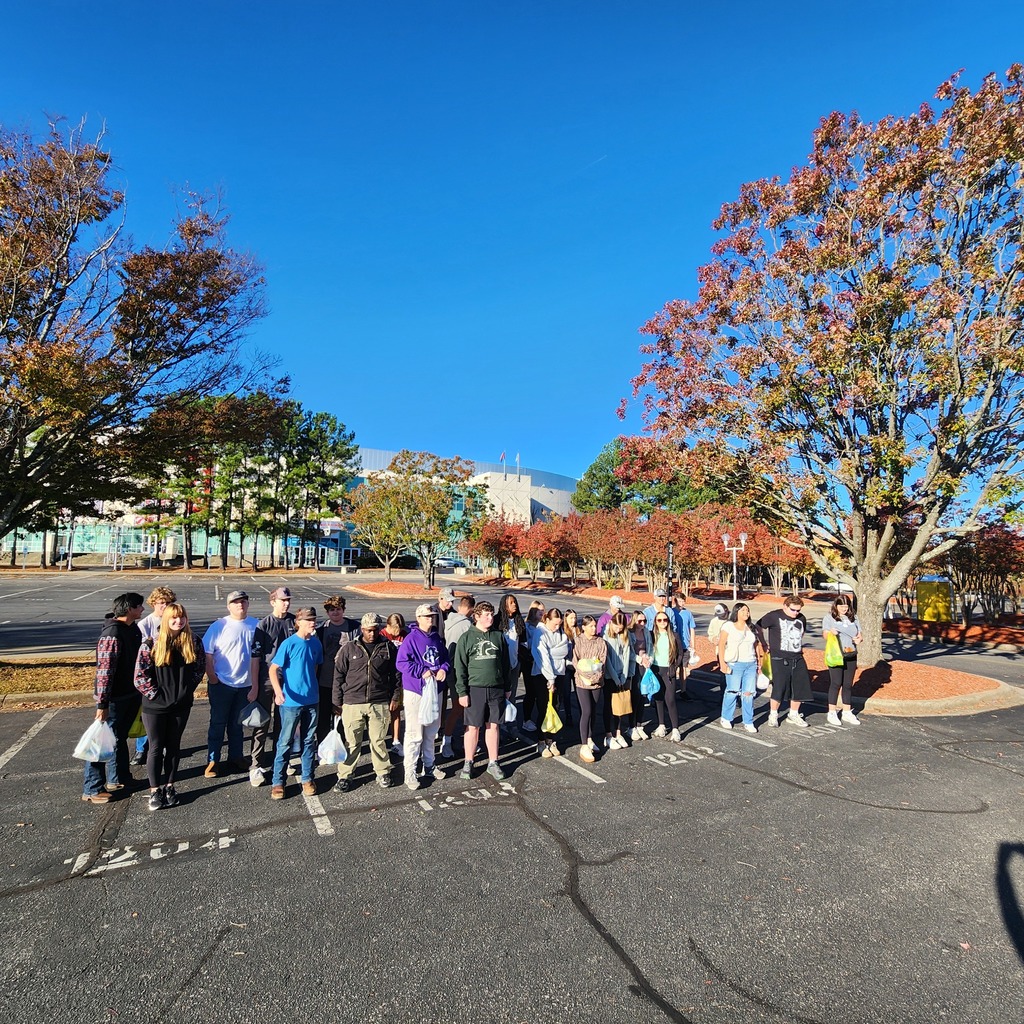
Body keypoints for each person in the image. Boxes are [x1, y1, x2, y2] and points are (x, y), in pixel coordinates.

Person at [134, 603, 205, 809]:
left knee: (174, 746)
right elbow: (140, 677)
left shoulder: (194, 641)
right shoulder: (151, 643)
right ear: (166, 619)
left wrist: (187, 689)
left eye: (182, 617)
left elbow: (199, 668)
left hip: (181, 704)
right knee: (156, 748)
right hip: (155, 706)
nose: (178, 621)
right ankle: (155, 790)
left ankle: (170, 786)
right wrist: (156, 695)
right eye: (174, 617)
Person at [82, 593, 144, 805]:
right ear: (129, 609)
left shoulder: (132, 629)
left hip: (130, 694)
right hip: (114, 699)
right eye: (139, 606)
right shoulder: (112, 634)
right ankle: (92, 788)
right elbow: (104, 672)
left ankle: (119, 779)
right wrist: (102, 703)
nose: (142, 610)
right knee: (102, 742)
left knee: (119, 739)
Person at [332, 613, 400, 791]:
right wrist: (337, 701)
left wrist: (395, 697)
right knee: (352, 742)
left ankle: (383, 771)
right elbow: (338, 675)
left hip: (379, 701)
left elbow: (396, 676)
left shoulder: (388, 647)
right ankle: (345, 774)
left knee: (378, 740)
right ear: (362, 629)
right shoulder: (349, 648)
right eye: (369, 630)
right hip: (352, 702)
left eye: (376, 630)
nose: (372, 633)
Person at [202, 591, 260, 777]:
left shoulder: (256, 625)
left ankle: (236, 756)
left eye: (243, 601)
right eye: (235, 602)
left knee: (237, 724)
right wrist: (212, 677)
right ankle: (213, 760)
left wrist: (255, 684)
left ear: (248, 604)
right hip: (222, 683)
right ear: (228, 606)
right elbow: (207, 654)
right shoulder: (219, 626)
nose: (240, 605)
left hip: (246, 685)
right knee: (218, 723)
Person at [268, 607, 323, 800]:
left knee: (309, 740)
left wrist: (310, 687)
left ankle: (307, 778)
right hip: (291, 702)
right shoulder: (288, 644)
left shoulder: (316, 643)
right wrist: (278, 691)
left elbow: (315, 666)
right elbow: (273, 669)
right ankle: (278, 782)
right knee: (285, 741)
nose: (312, 623)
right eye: (308, 620)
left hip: (312, 700)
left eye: (314, 619)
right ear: (298, 622)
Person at [453, 601, 512, 780]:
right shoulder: (466, 638)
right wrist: (462, 692)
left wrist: (507, 687)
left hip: (496, 689)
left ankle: (493, 762)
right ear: (476, 616)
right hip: (474, 689)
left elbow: (505, 664)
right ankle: (468, 762)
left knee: (493, 725)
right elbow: (460, 667)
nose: (490, 617)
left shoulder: (498, 636)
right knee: (472, 727)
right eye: (486, 614)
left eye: (491, 614)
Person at [396, 604, 451, 790]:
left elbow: (445, 659)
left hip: (436, 689)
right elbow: (401, 663)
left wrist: (443, 669)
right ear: (418, 617)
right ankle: (410, 771)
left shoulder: (436, 637)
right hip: (417, 690)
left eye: (433, 615)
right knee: (414, 733)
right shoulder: (411, 639)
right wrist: (421, 671)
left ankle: (429, 764)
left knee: (431, 730)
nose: (431, 618)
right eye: (427, 616)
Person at [250, 587, 296, 787]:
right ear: (273, 602)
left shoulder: (295, 622)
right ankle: (256, 765)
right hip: (267, 681)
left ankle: (282, 759)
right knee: (262, 724)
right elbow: (255, 658)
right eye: (282, 600)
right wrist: (254, 686)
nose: (286, 603)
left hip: (289, 680)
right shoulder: (264, 625)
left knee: (285, 723)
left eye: (288, 600)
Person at [132, 586, 177, 766]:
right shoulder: (145, 624)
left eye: (168, 603)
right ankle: (141, 749)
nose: (164, 606)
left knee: (167, 717)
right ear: (153, 604)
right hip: (151, 675)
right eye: (160, 603)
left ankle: (162, 745)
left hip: (168, 676)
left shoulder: (175, 621)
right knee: (146, 715)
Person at [757, 597, 811, 727]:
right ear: (785, 606)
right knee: (779, 687)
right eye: (793, 610)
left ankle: (793, 713)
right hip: (779, 658)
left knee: (799, 687)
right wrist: (763, 643)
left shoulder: (801, 618)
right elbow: (758, 626)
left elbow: (801, 634)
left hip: (797, 657)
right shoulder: (774, 616)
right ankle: (773, 714)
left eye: (798, 610)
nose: (796, 613)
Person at [315, 595, 360, 745]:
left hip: (347, 681)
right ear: (327, 612)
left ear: (343, 610)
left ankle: (341, 745)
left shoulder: (353, 628)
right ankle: (323, 746)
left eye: (338, 609)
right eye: (332, 610)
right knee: (323, 716)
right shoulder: (321, 630)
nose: (335, 613)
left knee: (344, 716)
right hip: (325, 680)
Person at [531, 608, 571, 758]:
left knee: (556, 707)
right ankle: (541, 741)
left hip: (559, 672)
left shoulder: (561, 633)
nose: (557, 627)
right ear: (546, 620)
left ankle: (551, 740)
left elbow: (564, 649)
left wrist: (555, 652)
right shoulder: (539, 633)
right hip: (543, 675)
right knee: (544, 708)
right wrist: (550, 678)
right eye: (554, 624)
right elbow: (542, 656)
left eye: (559, 624)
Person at [439, 594, 475, 759]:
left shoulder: (449, 621)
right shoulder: (467, 626)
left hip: (445, 667)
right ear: (472, 609)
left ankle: (453, 739)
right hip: (458, 672)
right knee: (458, 708)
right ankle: (447, 742)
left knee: (451, 707)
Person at [716, 603, 760, 733]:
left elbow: (756, 645)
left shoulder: (751, 627)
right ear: (736, 612)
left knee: (748, 693)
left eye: (747, 610)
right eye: (743, 610)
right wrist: (722, 663)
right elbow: (721, 644)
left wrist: (759, 661)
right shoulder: (729, 626)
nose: (746, 612)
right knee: (732, 691)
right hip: (735, 663)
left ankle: (748, 721)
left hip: (750, 663)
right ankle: (726, 717)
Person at [572, 614, 608, 762]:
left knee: (593, 710)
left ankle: (590, 737)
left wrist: (595, 677)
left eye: (595, 625)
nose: (594, 628)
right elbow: (576, 661)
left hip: (597, 682)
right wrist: (585, 676)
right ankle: (584, 744)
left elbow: (602, 662)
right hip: (581, 682)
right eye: (591, 626)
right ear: (584, 627)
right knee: (586, 710)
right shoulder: (578, 641)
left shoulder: (601, 642)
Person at [821, 597, 862, 726]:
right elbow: (825, 635)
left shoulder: (853, 617)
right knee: (836, 683)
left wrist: (859, 639)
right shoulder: (829, 617)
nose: (844, 609)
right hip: (836, 654)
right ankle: (832, 712)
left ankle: (847, 712)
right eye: (841, 606)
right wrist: (831, 633)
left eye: (846, 606)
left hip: (850, 653)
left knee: (848, 684)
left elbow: (859, 634)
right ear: (836, 606)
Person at [648, 607, 684, 740]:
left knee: (670, 699)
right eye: (659, 620)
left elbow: (680, 652)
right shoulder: (651, 635)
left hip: (669, 671)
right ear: (655, 622)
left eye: (665, 620)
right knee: (658, 698)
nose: (663, 622)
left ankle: (675, 729)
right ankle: (661, 725)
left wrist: (676, 666)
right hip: (656, 670)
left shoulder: (674, 635)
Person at [496, 595, 529, 734]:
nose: (514, 604)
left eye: (515, 602)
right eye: (511, 603)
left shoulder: (518, 621)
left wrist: (520, 659)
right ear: (504, 605)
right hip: (500, 666)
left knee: (512, 695)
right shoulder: (497, 621)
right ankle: (500, 724)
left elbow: (523, 643)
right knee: (500, 695)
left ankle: (512, 724)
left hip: (515, 664)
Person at [602, 611, 634, 751]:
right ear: (611, 623)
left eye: (621, 628)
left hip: (622, 676)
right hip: (610, 677)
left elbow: (627, 657)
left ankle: (618, 732)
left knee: (620, 705)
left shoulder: (625, 637)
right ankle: (608, 734)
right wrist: (615, 677)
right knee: (609, 706)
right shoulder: (606, 637)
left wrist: (624, 676)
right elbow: (607, 660)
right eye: (616, 627)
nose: (618, 630)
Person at [381, 613, 408, 757]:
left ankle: (396, 741)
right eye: (395, 629)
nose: (398, 633)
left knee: (396, 710)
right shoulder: (382, 635)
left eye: (400, 629)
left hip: (399, 679)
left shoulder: (405, 635)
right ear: (389, 626)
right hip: (384, 678)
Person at [520, 601, 547, 733]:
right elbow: (526, 645)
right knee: (531, 692)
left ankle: (541, 719)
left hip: (541, 663)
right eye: (539, 610)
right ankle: (526, 719)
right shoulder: (527, 627)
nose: (542, 612)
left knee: (540, 693)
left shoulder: (544, 626)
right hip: (529, 663)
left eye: (543, 610)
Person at [628, 611, 651, 742]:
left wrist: (649, 659)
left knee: (643, 696)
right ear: (634, 621)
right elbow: (628, 652)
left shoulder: (646, 632)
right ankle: (631, 726)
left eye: (644, 621)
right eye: (640, 621)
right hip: (634, 667)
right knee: (635, 696)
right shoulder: (629, 633)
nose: (642, 624)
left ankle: (639, 724)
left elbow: (651, 648)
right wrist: (639, 659)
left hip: (645, 666)